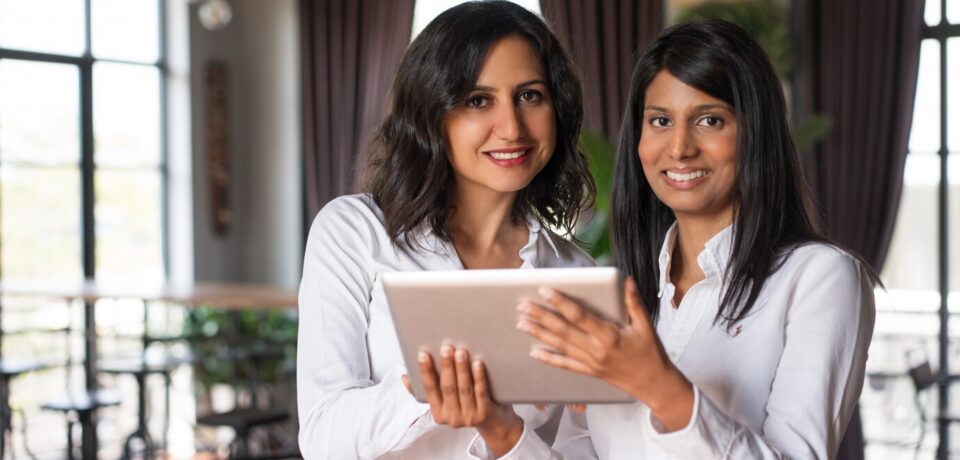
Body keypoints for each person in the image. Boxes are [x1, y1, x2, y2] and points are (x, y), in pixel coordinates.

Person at [500, 20, 876, 459]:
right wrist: (499, 430)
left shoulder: (819, 278)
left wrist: (659, 387)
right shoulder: (618, 294)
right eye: (660, 120)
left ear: (756, 133)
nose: (679, 147)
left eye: (710, 120)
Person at [296, 1, 595, 458]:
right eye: (478, 100)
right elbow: (322, 438)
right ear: (433, 113)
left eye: (530, 95)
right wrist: (438, 388)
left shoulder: (575, 274)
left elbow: (580, 451)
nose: (511, 126)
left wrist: (505, 433)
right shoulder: (353, 232)